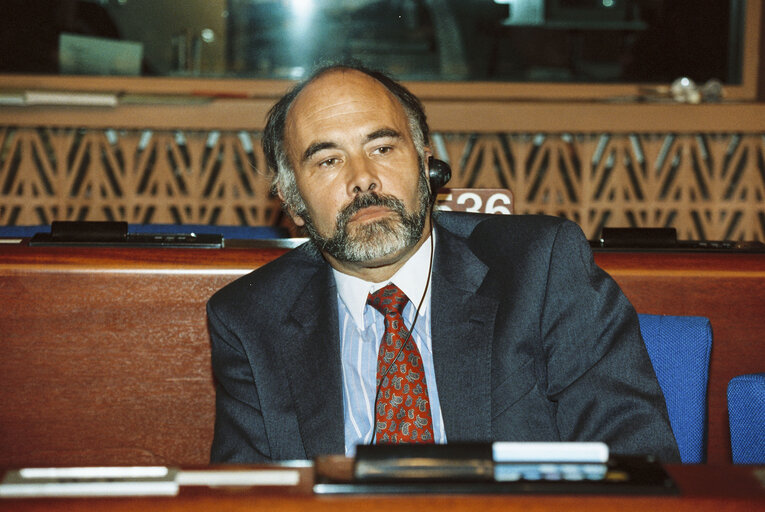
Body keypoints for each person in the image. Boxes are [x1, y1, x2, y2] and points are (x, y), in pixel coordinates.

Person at [207, 63, 680, 463]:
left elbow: (634, 461)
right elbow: (247, 497)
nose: (363, 180)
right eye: (328, 160)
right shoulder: (251, 320)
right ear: (293, 202)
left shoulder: (541, 266)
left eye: (383, 148)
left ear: (427, 165)